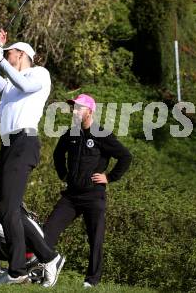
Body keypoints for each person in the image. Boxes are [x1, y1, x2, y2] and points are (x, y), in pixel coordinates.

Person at [0, 29, 65, 286]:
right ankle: (47, 258)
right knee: (9, 208)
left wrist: (0, 59)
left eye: (9, 53)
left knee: (8, 208)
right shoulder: (10, 80)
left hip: (24, 142)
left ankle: (18, 270)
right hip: (9, 145)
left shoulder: (39, 74)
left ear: (21, 54)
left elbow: (24, 84)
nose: (6, 56)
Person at [43, 94, 132, 288]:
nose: (74, 111)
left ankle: (91, 280)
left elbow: (125, 156)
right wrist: (63, 174)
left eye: (78, 108)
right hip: (71, 196)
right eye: (73, 108)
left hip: (94, 196)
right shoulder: (70, 133)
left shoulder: (102, 134)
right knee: (48, 231)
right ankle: (45, 272)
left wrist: (109, 177)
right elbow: (58, 154)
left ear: (89, 111)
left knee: (95, 238)